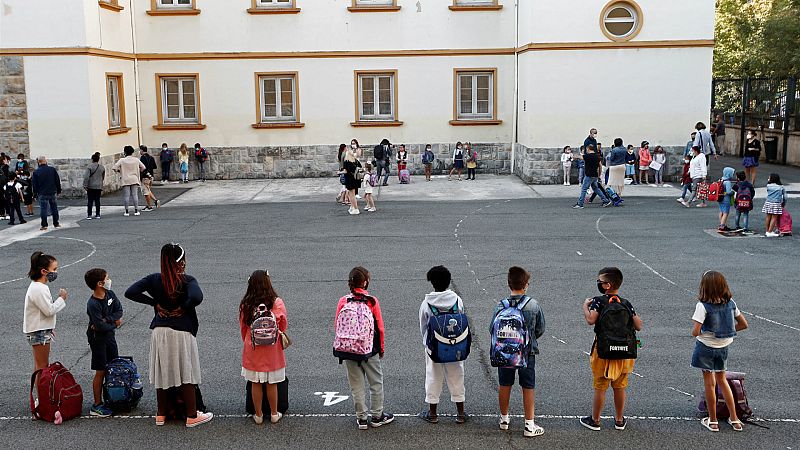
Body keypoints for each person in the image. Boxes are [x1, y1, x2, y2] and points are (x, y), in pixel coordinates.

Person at [125, 243, 213, 428]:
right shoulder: (187, 280)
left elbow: (130, 292)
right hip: (181, 331)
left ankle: (161, 414)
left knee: (163, 372)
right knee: (186, 373)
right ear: (181, 261)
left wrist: (154, 304)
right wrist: (183, 307)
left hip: (160, 331)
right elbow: (197, 297)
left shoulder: (154, 279)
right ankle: (191, 415)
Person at [580, 267, 643, 432]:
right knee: (620, 385)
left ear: (607, 285)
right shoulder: (625, 303)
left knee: (600, 385)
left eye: (600, 282)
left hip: (603, 350)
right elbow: (639, 325)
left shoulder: (598, 301)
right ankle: (619, 420)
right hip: (624, 352)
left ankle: (595, 420)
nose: (598, 284)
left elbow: (591, 320)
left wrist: (585, 307)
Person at [335, 267, 394, 430]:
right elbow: (380, 328)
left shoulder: (343, 301)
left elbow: (337, 326)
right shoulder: (372, 301)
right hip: (369, 349)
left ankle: (361, 418)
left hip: (348, 349)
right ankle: (377, 416)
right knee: (375, 382)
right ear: (365, 282)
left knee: (356, 385)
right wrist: (381, 348)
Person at [691, 271, 748, 432]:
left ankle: (713, 420)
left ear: (704, 287)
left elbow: (695, 331)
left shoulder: (702, 306)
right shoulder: (731, 303)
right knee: (722, 380)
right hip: (723, 347)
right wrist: (727, 331)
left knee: (710, 384)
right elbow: (744, 324)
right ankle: (735, 419)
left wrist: (704, 332)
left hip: (705, 347)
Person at [492, 266, 545, 437]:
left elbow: (491, 328)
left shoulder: (501, 305)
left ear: (509, 284)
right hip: (526, 352)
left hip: (505, 352)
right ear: (526, 285)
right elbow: (540, 328)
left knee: (505, 384)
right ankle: (529, 424)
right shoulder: (533, 305)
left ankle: (504, 419)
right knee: (528, 386)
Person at [417, 266, 467, 424]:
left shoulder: (426, 303)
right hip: (455, 344)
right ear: (448, 281)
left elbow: (423, 326)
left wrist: (427, 344)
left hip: (434, 347)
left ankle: (432, 414)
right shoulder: (457, 300)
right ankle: (460, 413)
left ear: (432, 283)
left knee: (433, 376)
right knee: (457, 375)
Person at [239, 270, 287, 425]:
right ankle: (274, 413)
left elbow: (243, 327)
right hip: (272, 348)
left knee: (256, 382)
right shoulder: (277, 302)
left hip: (253, 347)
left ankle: (258, 415)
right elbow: (283, 324)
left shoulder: (246, 304)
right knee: (272, 382)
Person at [84, 268, 122, 417]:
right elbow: (98, 327)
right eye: (107, 278)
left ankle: (111, 397)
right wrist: (115, 323)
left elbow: (118, 310)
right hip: (98, 339)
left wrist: (107, 320)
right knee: (101, 370)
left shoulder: (110, 294)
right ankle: (97, 405)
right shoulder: (93, 303)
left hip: (109, 336)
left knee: (113, 366)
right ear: (100, 283)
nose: (109, 280)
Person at [24, 252, 68, 380]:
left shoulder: (39, 287)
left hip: (39, 330)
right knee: (42, 367)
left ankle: (40, 397)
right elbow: (49, 310)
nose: (56, 272)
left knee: (40, 366)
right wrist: (61, 298)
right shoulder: (39, 288)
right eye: (54, 269)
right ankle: (41, 398)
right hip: (39, 332)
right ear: (43, 271)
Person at [113, 145, 146, 217]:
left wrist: (119, 171)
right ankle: (136, 210)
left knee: (126, 196)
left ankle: (126, 211)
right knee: (135, 195)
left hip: (125, 179)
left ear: (125, 152)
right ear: (132, 152)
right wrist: (138, 171)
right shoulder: (136, 160)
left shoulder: (122, 160)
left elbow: (114, 167)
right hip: (134, 178)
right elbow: (143, 167)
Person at [573, 145, 610, 209]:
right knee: (596, 189)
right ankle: (605, 200)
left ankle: (580, 204)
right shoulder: (597, 156)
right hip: (595, 175)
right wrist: (599, 175)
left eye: (586, 149)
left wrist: (574, 156)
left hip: (589, 175)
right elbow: (600, 166)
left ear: (588, 149)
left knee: (584, 189)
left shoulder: (588, 156)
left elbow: (580, 157)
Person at [31, 155, 62, 231]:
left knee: (43, 209)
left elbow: (34, 185)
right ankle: (56, 223)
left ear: (38, 162)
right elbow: (57, 180)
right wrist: (59, 190)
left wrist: (34, 194)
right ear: (45, 161)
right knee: (54, 208)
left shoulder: (36, 172)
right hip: (52, 191)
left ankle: (44, 225)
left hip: (42, 192)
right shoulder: (52, 170)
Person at [762, 173, 786, 237]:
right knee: (774, 217)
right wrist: (783, 203)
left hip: (768, 202)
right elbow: (785, 197)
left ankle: (767, 231)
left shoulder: (768, 186)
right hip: (776, 203)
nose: (768, 179)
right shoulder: (781, 187)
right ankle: (770, 232)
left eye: (769, 178)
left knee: (768, 216)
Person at [83, 152, 105, 220]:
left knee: (90, 200)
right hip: (98, 186)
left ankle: (89, 215)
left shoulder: (89, 167)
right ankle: (98, 214)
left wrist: (85, 185)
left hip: (91, 186)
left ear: (92, 159)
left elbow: (86, 177)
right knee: (97, 200)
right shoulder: (102, 167)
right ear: (98, 159)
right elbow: (103, 177)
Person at [342, 147, 362, 215]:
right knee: (353, 194)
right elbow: (360, 167)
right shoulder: (356, 161)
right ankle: (353, 207)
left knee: (351, 195)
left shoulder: (346, 162)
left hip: (349, 179)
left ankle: (356, 208)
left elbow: (345, 171)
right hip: (356, 179)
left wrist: (339, 172)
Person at [140, 146, 159, 211]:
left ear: (142, 150)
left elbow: (141, 167)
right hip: (151, 176)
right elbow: (155, 166)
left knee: (146, 192)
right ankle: (156, 201)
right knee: (148, 190)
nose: (140, 152)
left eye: (140, 150)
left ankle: (149, 206)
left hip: (145, 176)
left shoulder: (142, 158)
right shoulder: (151, 157)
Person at [717, 167, 736, 232]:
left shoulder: (721, 180)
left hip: (720, 198)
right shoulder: (727, 182)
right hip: (726, 199)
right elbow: (728, 192)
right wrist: (732, 192)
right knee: (726, 212)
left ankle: (722, 223)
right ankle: (722, 225)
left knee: (721, 211)